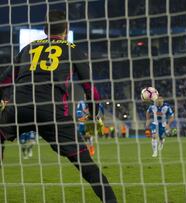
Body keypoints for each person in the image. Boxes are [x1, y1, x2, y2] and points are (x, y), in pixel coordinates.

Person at [0, 10, 117, 202]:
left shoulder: (27, 48)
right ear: (66, 29)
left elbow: (4, 80)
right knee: (87, 167)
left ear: (45, 30)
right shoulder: (72, 49)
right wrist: (93, 112)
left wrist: (3, 99)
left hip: (19, 109)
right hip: (52, 113)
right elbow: (89, 86)